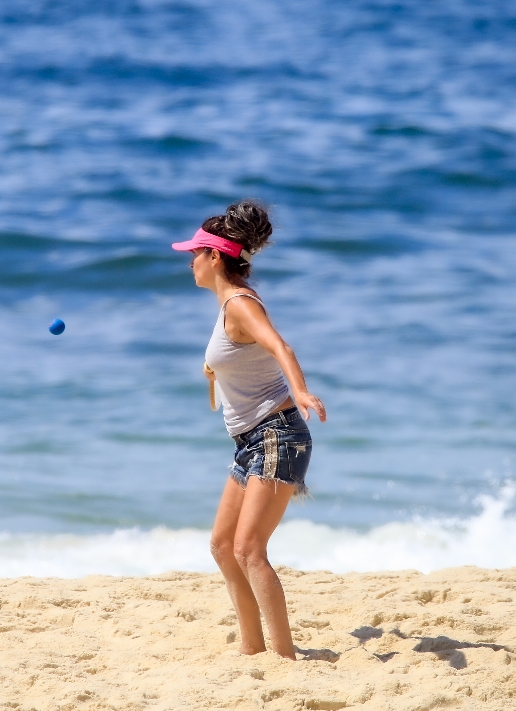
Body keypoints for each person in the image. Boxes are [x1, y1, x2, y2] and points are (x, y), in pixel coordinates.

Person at [172, 200, 327, 660]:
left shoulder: (239, 303)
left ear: (214, 257)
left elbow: (279, 344)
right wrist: (215, 370)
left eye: (195, 253)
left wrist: (299, 391)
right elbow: (242, 357)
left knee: (249, 549)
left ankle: (283, 657)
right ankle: (251, 648)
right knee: (223, 545)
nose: (190, 261)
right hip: (251, 441)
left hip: (277, 434)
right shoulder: (228, 305)